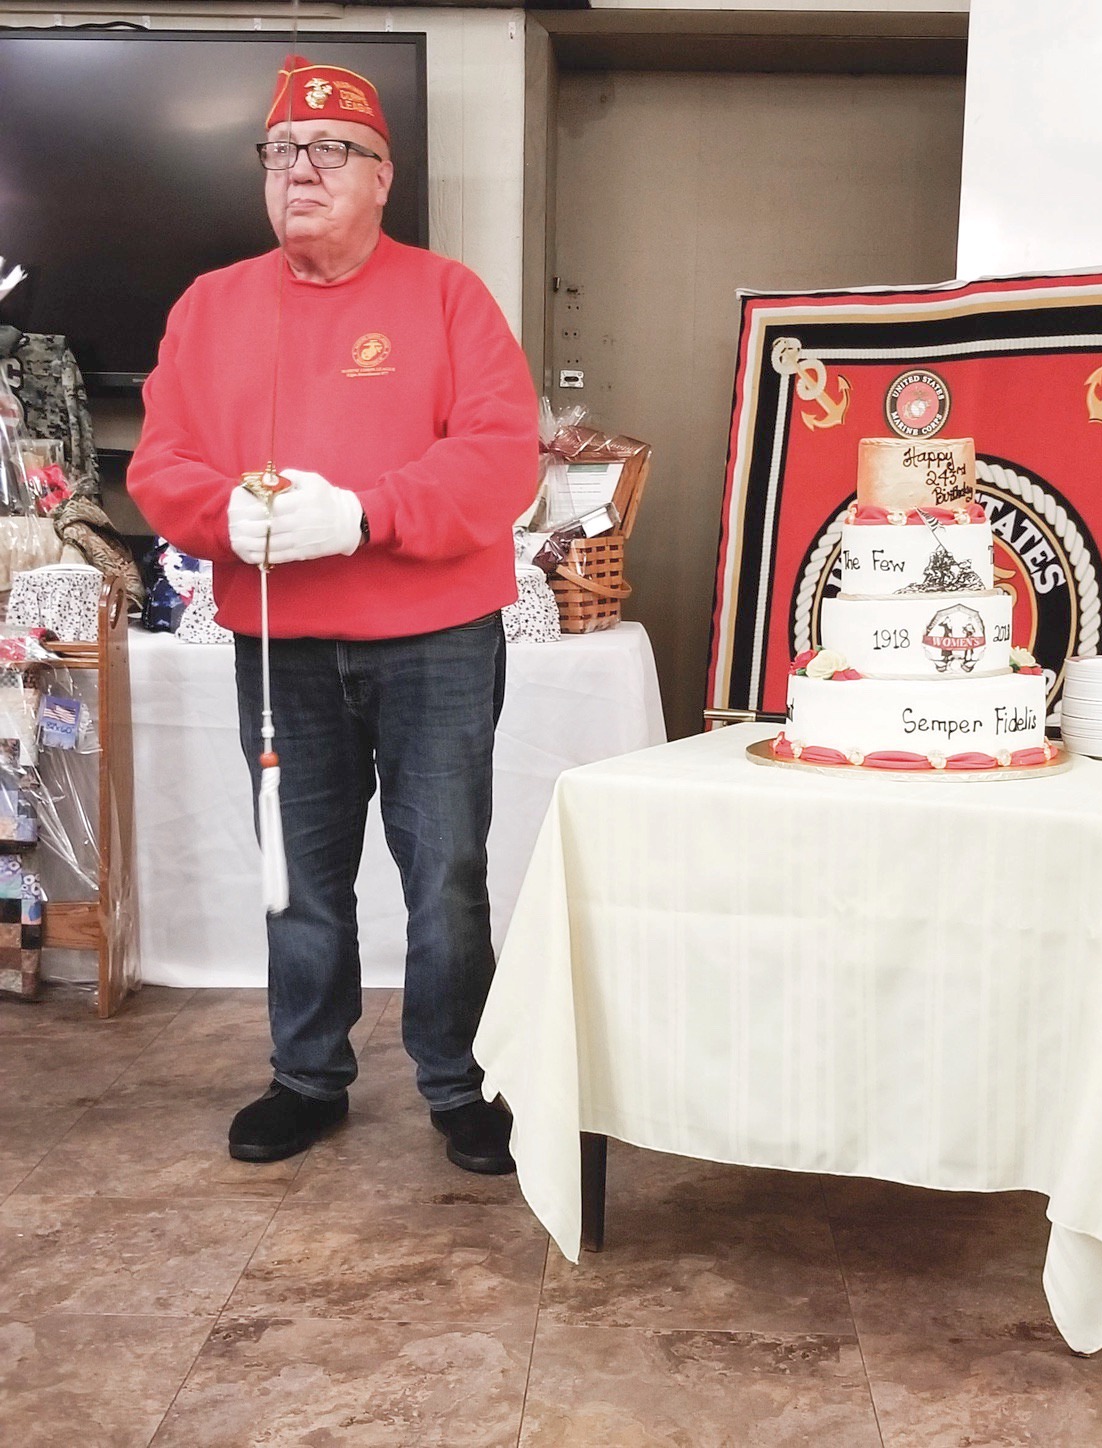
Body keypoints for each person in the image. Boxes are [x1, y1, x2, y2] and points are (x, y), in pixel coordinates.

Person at [127, 55, 539, 1174]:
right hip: (279, 645)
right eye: (278, 152)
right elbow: (161, 466)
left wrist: (362, 513)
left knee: (446, 869)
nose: (298, 170)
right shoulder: (210, 306)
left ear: (381, 175)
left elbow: (502, 464)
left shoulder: (449, 296)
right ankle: (308, 1074)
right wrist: (226, 517)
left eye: (328, 150)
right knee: (297, 874)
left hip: (437, 642)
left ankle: (459, 1080)